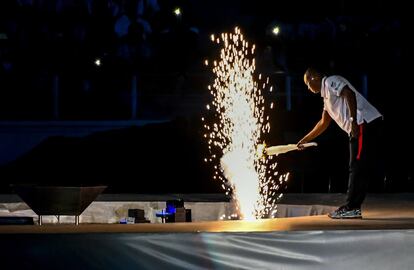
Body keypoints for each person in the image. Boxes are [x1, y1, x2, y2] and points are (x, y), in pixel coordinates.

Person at [297, 68, 382, 219]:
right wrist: (304, 140)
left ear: (315, 77)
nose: (308, 88)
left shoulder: (330, 81)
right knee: (358, 166)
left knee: (357, 166)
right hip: (359, 126)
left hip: (363, 123)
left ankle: (352, 207)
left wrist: (353, 121)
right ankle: (353, 207)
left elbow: (349, 93)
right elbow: (323, 123)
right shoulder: (326, 99)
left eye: (307, 83)